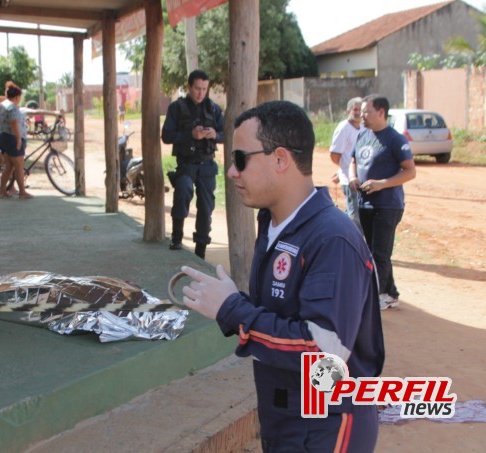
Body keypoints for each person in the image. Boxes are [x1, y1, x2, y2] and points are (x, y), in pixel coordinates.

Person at [180, 101, 384, 452]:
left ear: (280, 159)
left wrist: (232, 310)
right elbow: (284, 318)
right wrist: (235, 301)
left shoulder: (331, 238)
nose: (231, 171)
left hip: (325, 427)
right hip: (286, 418)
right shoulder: (276, 225)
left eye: (240, 159)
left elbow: (324, 354)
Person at [349, 94, 416, 310]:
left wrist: (382, 184)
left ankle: (375, 296)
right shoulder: (363, 135)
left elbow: (410, 172)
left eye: (366, 111)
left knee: (380, 253)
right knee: (374, 250)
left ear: (381, 112)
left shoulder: (395, 139)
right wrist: (352, 177)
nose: (362, 115)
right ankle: (390, 292)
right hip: (365, 203)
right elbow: (353, 160)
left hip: (388, 205)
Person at [161, 70, 224, 259]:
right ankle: (177, 238)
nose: (201, 93)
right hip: (186, 164)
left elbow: (226, 133)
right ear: (189, 87)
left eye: (204, 89)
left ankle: (200, 251)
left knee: (206, 207)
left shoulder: (213, 109)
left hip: (206, 164)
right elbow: (166, 136)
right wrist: (191, 134)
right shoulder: (177, 108)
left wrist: (216, 135)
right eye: (197, 88)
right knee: (183, 189)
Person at [0, 81, 34, 200]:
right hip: (12, 137)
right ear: (17, 97)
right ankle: (22, 192)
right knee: (18, 166)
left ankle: (2, 191)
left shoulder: (1, 106)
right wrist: (18, 139)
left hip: (3, 136)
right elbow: (14, 123)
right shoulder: (12, 107)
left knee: (9, 166)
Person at [330, 97, 363, 230]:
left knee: (358, 215)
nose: (358, 112)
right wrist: (343, 169)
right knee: (354, 217)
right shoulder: (344, 127)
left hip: (361, 179)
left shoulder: (363, 127)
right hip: (349, 180)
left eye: (361, 109)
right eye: (355, 109)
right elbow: (334, 155)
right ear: (348, 110)